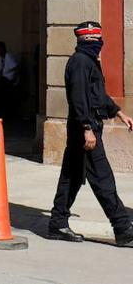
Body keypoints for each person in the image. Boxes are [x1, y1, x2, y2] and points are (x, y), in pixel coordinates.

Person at [48, 21, 133, 247]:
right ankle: (123, 228)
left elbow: (98, 96)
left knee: (72, 176)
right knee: (103, 179)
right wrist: (87, 128)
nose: (98, 43)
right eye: (96, 39)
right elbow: (79, 99)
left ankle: (57, 223)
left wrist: (119, 113)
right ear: (90, 40)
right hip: (85, 129)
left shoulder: (88, 62)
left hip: (85, 127)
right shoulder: (80, 63)